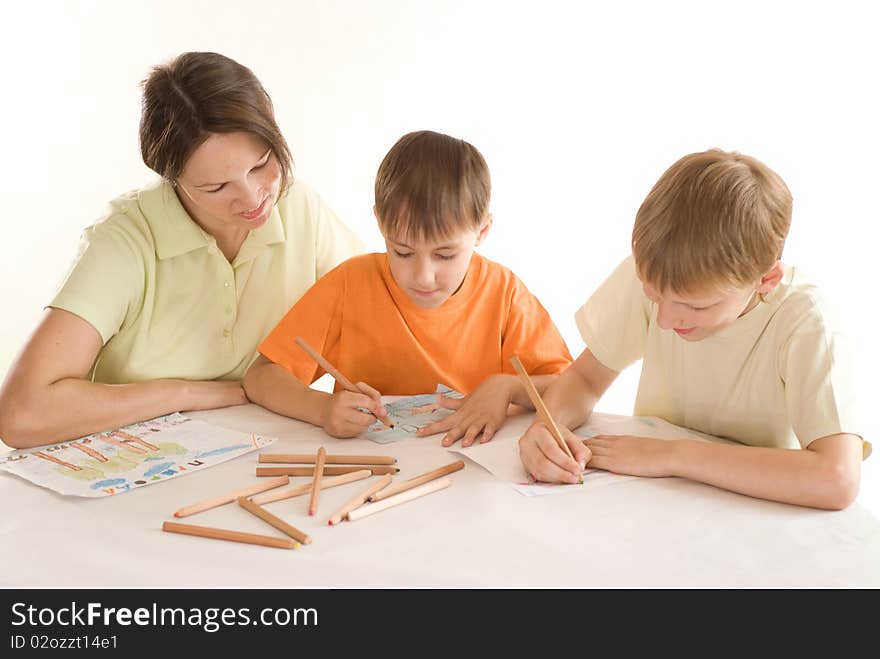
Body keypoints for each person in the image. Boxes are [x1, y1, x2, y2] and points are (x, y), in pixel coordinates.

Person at [0, 52, 363, 449]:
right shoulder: (126, 239)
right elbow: (22, 414)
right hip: (137, 474)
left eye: (261, 164)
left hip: (264, 458)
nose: (253, 197)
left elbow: (385, 314)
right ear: (171, 178)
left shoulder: (298, 207)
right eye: (217, 187)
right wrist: (187, 394)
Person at [518, 149, 869, 510]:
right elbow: (587, 379)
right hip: (658, 507)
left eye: (696, 306)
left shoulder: (808, 323)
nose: (666, 320)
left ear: (766, 279)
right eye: (653, 296)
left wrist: (673, 456)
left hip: (757, 521)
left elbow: (837, 478)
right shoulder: (660, 271)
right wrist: (548, 427)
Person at [243, 130, 571, 446]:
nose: (423, 276)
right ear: (380, 224)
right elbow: (261, 377)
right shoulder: (350, 284)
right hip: (374, 477)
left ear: (482, 230)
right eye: (402, 251)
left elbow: (570, 387)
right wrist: (321, 409)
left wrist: (508, 388)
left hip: (472, 480)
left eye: (445, 254)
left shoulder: (504, 294)